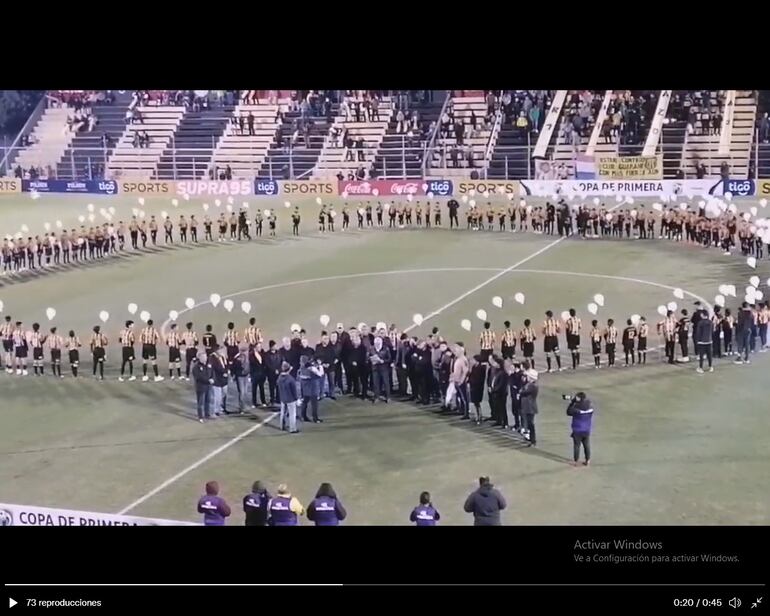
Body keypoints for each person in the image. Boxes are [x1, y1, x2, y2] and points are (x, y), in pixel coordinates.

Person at [566, 392, 594, 466]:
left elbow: (568, 412)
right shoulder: (590, 408)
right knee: (586, 445)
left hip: (577, 430)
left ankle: (576, 461)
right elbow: (587, 404)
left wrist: (572, 402)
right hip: (586, 429)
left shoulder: (576, 409)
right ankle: (587, 460)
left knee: (576, 445)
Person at [299, 355, 324, 423]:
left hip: (305, 389)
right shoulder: (312, 368)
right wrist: (320, 365)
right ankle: (315, 418)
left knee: (305, 402)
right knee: (314, 404)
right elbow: (320, 374)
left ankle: (303, 416)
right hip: (313, 388)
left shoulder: (301, 369)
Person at [277, 361, 300, 433]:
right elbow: (294, 391)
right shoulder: (291, 379)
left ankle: (282, 425)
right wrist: (296, 399)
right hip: (290, 399)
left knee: (283, 412)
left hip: (283, 398)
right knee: (292, 414)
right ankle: (293, 428)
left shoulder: (279, 378)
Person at [519, 365, 539, 446]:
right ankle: (531, 439)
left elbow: (522, 392)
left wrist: (521, 391)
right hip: (528, 407)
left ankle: (532, 440)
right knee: (529, 424)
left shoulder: (533, 386)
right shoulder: (529, 385)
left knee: (530, 424)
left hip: (530, 407)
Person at [368, 335, 391, 403]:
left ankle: (388, 397)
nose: (377, 345)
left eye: (378, 343)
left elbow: (389, 358)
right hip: (375, 368)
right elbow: (368, 357)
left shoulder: (386, 348)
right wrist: (371, 360)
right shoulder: (371, 348)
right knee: (375, 383)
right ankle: (376, 397)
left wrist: (383, 361)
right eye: (376, 343)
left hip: (383, 368)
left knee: (386, 383)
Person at [192, 350, 212, 423]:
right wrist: (208, 380)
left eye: (205, 356)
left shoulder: (208, 364)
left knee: (208, 401)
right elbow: (199, 377)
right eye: (203, 357)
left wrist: (212, 379)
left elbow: (212, 372)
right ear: (199, 358)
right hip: (201, 387)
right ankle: (200, 416)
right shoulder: (196, 367)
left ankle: (207, 414)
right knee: (201, 402)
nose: (205, 358)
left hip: (208, 386)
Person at [694, 309, 714, 373]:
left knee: (701, 356)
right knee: (709, 355)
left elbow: (698, 332)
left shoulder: (700, 323)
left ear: (702, 315)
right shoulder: (711, 322)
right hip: (709, 341)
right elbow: (712, 331)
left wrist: (697, 340)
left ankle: (701, 367)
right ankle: (710, 367)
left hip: (702, 342)